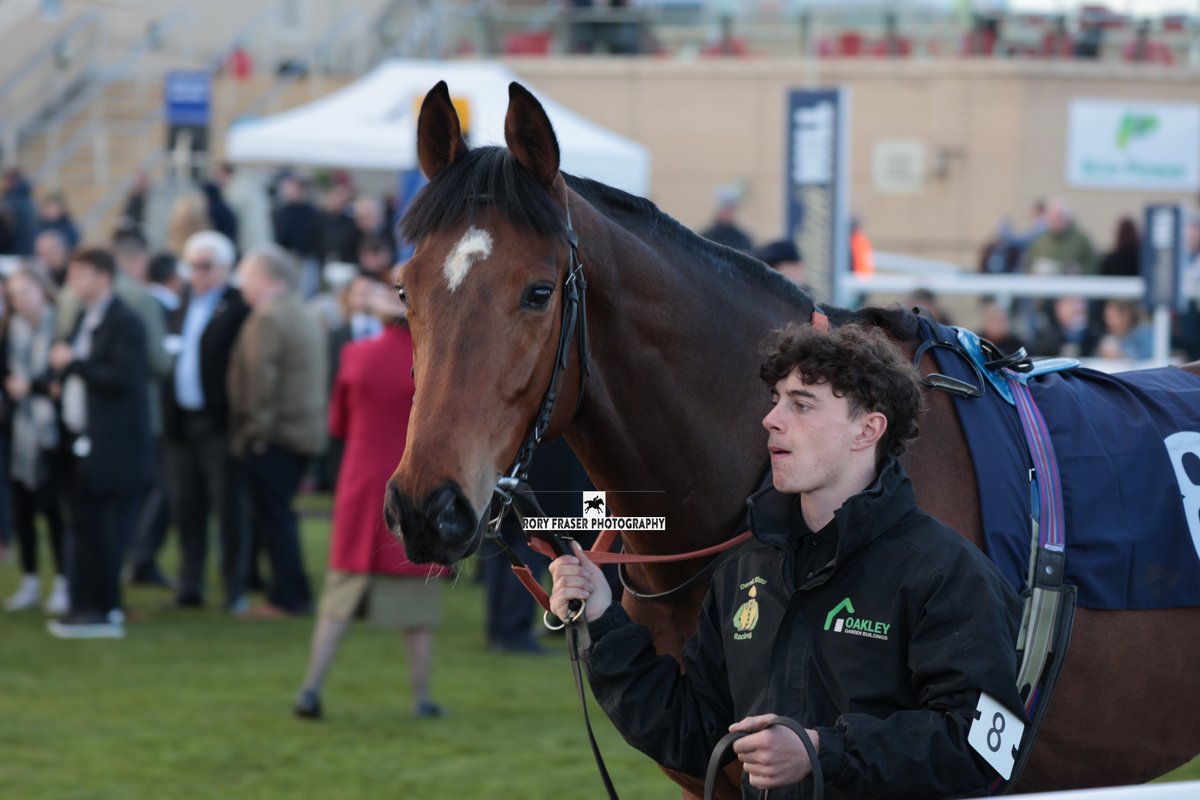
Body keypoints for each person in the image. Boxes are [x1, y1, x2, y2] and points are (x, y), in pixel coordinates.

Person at [549, 323, 1025, 799]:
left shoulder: (945, 572)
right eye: (776, 399)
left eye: (801, 404)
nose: (771, 419)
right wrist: (601, 620)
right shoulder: (744, 569)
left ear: (867, 429)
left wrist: (822, 751)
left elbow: (986, 748)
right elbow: (695, 733)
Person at [295, 281, 450, 719]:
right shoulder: (430, 361)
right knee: (418, 603)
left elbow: (338, 424)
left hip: (361, 487)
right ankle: (421, 697)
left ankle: (311, 688)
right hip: (415, 483)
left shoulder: (354, 356)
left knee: (338, 596)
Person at [47, 247, 151, 639]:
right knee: (85, 527)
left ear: (103, 276)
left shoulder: (126, 321)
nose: (73, 281)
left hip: (115, 446)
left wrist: (72, 364)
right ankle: (84, 607)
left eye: (80, 274)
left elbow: (124, 379)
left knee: (109, 530)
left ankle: (106, 610)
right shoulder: (82, 316)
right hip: (80, 441)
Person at [227, 244, 328, 618]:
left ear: (262, 278)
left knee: (276, 517)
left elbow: (260, 384)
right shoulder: (302, 313)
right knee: (280, 515)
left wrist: (256, 434)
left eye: (246, 277)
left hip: (275, 436)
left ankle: (287, 595)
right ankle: (289, 589)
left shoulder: (268, 319)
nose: (242, 286)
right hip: (300, 432)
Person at [164, 231, 250, 612]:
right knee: (187, 507)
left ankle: (234, 588)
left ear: (226, 268)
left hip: (219, 424)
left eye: (206, 266)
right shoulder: (180, 304)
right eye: (192, 265)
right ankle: (190, 585)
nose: (197, 273)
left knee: (228, 509)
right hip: (183, 423)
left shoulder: (237, 307)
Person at [3, 267, 68, 615]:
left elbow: (59, 382)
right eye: (14, 294)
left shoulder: (58, 326)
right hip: (19, 433)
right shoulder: (9, 331)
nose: (20, 300)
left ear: (43, 291)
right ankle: (29, 581)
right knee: (22, 510)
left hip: (51, 434)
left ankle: (62, 581)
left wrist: (33, 388)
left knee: (54, 509)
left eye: (26, 291)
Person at [700, 185, 753, 253]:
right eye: (726, 208)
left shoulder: (743, 239)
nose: (728, 212)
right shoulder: (706, 236)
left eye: (731, 208)